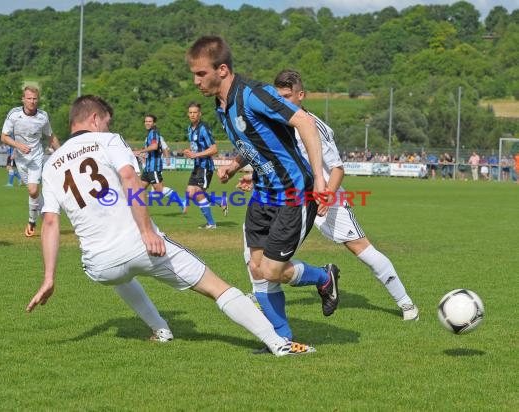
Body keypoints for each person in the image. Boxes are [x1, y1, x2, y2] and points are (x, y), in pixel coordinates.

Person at [26, 94, 314, 356]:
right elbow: (129, 179)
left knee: (121, 275)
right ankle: (280, 344)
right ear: (94, 119)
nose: (106, 127)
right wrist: (147, 231)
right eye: (106, 122)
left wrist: (49, 277)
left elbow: (50, 221)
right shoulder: (109, 140)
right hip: (141, 246)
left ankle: (161, 330)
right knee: (217, 287)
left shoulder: (51, 165)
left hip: (99, 265)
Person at [186, 35, 339, 342]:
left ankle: (324, 277)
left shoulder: (253, 94)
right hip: (263, 194)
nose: (196, 81)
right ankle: (282, 339)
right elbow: (253, 141)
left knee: (270, 270)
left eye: (201, 73)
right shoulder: (221, 105)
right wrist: (238, 164)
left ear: (223, 70)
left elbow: (304, 123)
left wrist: (321, 181)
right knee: (257, 269)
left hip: (294, 193)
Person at [241, 70, 418, 330]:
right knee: (257, 251)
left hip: (325, 198)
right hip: (288, 199)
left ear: (301, 96)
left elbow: (337, 168)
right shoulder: (275, 122)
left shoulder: (313, 125)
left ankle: (406, 303)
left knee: (362, 249)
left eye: (287, 96)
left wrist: (327, 195)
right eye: (278, 97)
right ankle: (263, 298)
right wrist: (251, 176)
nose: (282, 101)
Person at [1, 86, 61, 237]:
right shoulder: (14, 115)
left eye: (35, 98)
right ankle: (46, 216)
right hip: (21, 160)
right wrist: (18, 145)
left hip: (36, 157)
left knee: (33, 190)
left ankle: (32, 222)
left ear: (38, 99)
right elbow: (4, 137)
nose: (32, 101)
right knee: (33, 193)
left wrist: (61, 153)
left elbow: (50, 136)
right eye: (29, 98)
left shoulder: (43, 116)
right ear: (23, 99)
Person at [183, 101, 228, 229]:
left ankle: (211, 224)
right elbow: (195, 147)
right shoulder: (189, 129)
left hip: (205, 166)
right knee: (190, 194)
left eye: (195, 112)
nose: (192, 115)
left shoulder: (203, 128)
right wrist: (189, 152)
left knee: (197, 193)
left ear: (200, 114)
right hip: (197, 166)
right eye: (190, 112)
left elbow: (214, 149)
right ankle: (220, 201)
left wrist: (196, 155)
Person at [133, 115, 185, 212]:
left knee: (159, 189)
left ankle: (182, 201)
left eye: (150, 121)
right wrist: (144, 155)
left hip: (154, 166)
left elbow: (155, 146)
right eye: (146, 121)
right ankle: (133, 211)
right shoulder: (149, 134)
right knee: (139, 188)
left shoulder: (154, 133)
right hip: (148, 167)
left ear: (154, 123)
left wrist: (141, 151)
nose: (147, 123)